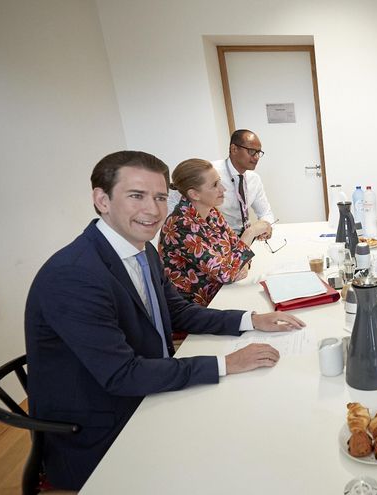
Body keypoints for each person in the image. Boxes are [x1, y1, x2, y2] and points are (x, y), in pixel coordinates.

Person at [24, 151, 305, 490]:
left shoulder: (142, 250)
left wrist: (251, 319)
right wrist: (226, 363)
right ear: (102, 200)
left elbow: (179, 312)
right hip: (102, 428)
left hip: (147, 387)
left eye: (159, 197)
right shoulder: (73, 275)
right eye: (136, 196)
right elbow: (121, 375)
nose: (154, 210)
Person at [160, 159, 270, 307]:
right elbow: (228, 273)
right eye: (215, 185)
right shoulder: (180, 227)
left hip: (222, 294)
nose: (223, 189)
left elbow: (235, 251)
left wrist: (237, 264)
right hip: (197, 309)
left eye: (219, 182)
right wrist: (250, 233)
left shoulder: (211, 212)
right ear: (194, 194)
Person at [213, 129, 275, 237]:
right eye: (251, 151)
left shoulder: (254, 179)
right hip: (219, 238)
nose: (256, 157)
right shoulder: (212, 173)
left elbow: (265, 212)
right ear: (234, 149)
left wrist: (266, 227)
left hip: (247, 237)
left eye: (258, 153)